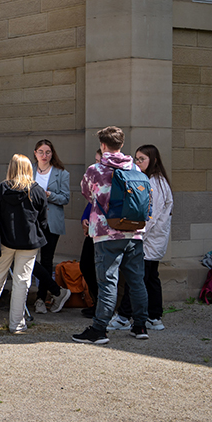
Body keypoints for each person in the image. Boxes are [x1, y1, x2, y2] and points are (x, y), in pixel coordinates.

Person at [73, 126, 150, 344]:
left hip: (107, 234)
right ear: (121, 144)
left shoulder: (95, 170)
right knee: (137, 281)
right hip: (134, 232)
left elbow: (87, 194)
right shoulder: (135, 168)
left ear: (103, 145)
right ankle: (140, 326)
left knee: (108, 282)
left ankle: (99, 329)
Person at [0, 154, 50, 334]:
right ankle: (17, 323)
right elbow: (43, 221)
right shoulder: (37, 190)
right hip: (29, 242)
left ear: (11, 168)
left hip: (5, 241)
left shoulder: (1, 189)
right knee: (22, 281)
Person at [109, 144, 173, 331]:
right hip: (152, 240)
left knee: (136, 278)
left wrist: (138, 234)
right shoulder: (152, 179)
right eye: (136, 158)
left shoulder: (156, 183)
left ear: (152, 160)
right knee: (150, 278)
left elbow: (152, 215)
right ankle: (154, 316)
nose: (137, 162)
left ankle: (124, 316)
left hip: (150, 239)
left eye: (141, 159)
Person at [31, 139, 72, 314]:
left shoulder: (61, 173)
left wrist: (48, 195)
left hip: (51, 220)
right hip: (31, 220)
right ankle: (57, 291)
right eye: (41, 152)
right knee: (30, 259)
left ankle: (41, 298)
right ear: (35, 153)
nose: (44, 155)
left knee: (46, 260)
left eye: (48, 152)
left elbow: (65, 198)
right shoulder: (28, 171)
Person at [79, 149, 103, 319]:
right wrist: (84, 219)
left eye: (98, 161)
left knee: (101, 270)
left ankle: (103, 308)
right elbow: (90, 203)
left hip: (105, 231)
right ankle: (96, 302)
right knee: (86, 265)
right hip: (92, 230)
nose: (96, 164)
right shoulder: (95, 177)